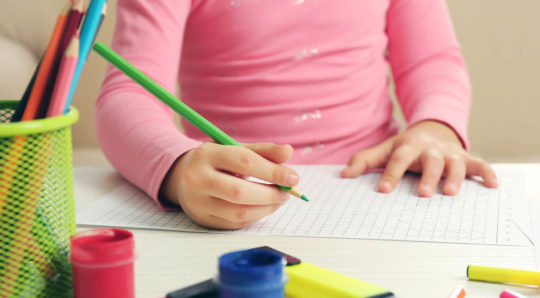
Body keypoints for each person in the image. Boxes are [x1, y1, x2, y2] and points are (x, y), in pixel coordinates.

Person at [95, 0, 498, 230]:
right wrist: (178, 170)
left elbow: (432, 61)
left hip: (380, 188)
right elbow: (128, 96)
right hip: (227, 195)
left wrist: (435, 128)